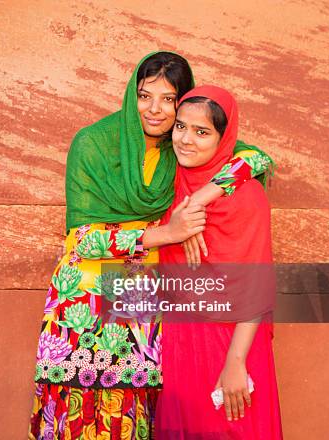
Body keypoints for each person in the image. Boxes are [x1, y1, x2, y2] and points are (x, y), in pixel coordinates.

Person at [28, 52, 274, 440]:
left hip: (142, 295)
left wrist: (199, 200)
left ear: (182, 102)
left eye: (168, 98)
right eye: (145, 96)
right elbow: (85, 241)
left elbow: (255, 158)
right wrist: (169, 232)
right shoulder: (94, 144)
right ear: (132, 95)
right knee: (81, 413)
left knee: (133, 415)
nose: (155, 110)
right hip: (86, 299)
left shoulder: (177, 145)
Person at [153, 85, 283, 439]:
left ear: (224, 139)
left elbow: (256, 285)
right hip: (181, 341)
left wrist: (236, 363)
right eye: (180, 126)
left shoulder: (246, 197)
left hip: (232, 341)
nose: (186, 140)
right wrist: (180, 224)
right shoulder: (167, 183)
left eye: (202, 132)